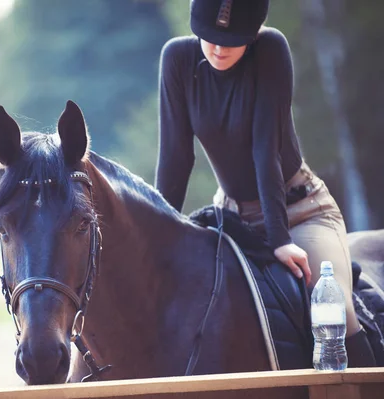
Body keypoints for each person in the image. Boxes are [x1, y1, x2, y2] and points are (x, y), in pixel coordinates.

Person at [154, 0, 376, 366]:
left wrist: (279, 240)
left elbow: (264, 150)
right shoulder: (176, 59)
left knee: (336, 309)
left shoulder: (271, 49)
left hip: (299, 211)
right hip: (232, 216)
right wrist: (159, 232)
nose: (219, 48)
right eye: (209, 37)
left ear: (254, 32)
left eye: (232, 39)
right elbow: (176, 159)